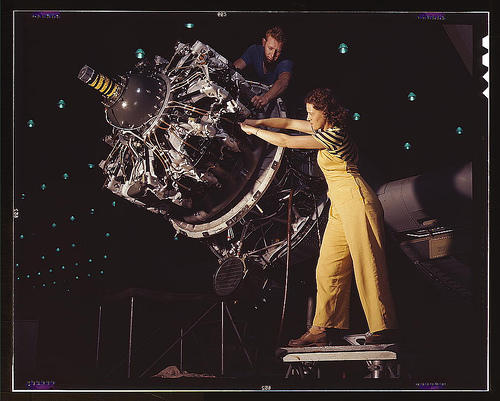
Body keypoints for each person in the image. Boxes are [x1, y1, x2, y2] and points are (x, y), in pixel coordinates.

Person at [239, 88, 398, 346]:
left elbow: (288, 141)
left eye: (313, 113)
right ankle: (321, 329)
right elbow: (288, 123)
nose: (309, 117)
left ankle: (384, 326)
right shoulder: (322, 129)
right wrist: (258, 121)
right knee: (327, 268)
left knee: (367, 262)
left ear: (326, 114)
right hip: (339, 203)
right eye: (308, 112)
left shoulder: (333, 136)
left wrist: (252, 132)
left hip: (356, 198)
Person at [233, 26, 293, 109]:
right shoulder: (253, 50)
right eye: (270, 48)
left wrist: (265, 98)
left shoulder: (286, 61)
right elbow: (233, 69)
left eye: (278, 51)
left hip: (274, 104)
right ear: (264, 43)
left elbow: (283, 82)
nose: (272, 55)